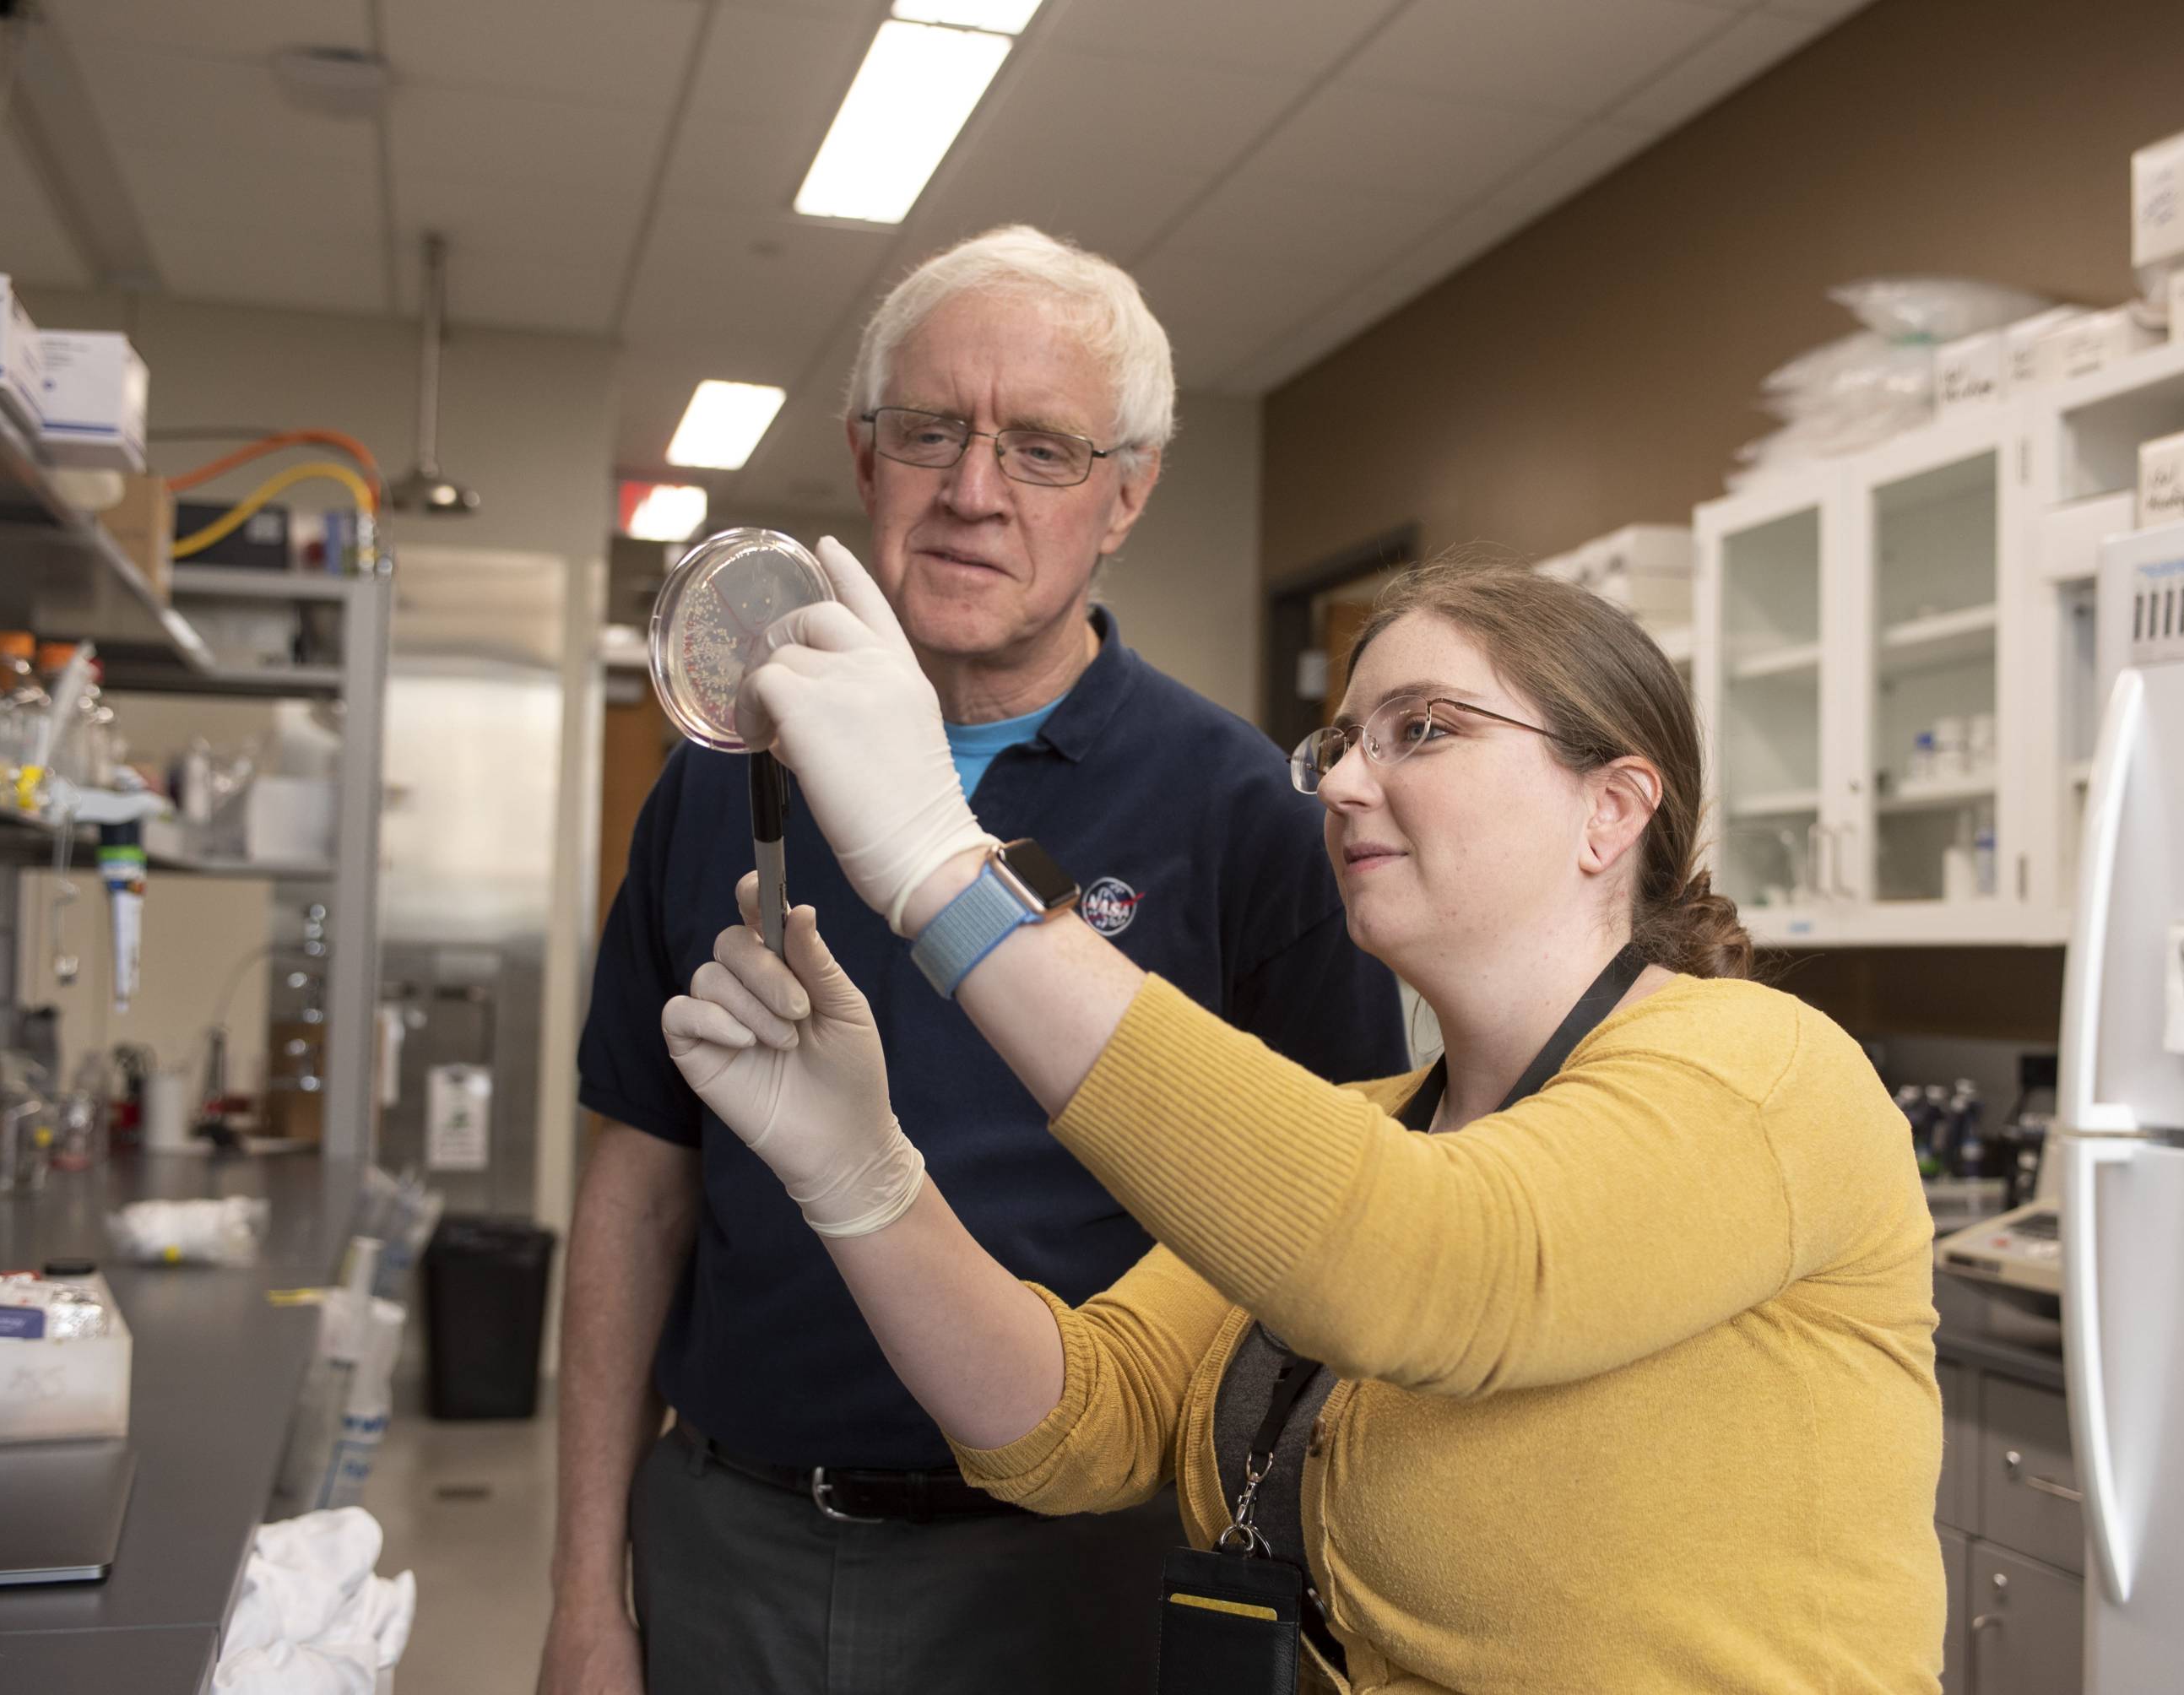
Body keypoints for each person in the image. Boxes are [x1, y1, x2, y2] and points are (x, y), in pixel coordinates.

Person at [664, 552, 1948, 1692]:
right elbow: (1075, 1422)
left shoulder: (1764, 1075)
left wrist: (940, 861)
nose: (1342, 786)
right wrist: (861, 1175)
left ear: (1613, 808)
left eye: (1422, 731)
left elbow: (1438, 1265)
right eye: (1340, 745)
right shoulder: (1369, 1130)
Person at [542, 225, 1407, 1695]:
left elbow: (1344, 1229)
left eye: (1045, 450)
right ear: (864, 459)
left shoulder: (1240, 808)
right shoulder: (722, 774)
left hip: (1076, 1562)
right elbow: (638, 1190)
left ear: (1127, 493)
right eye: (931, 430)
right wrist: (582, 1597)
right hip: (736, 1542)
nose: (973, 492)